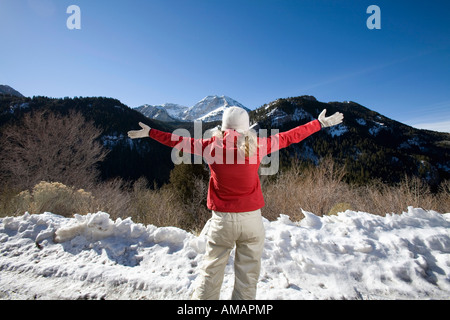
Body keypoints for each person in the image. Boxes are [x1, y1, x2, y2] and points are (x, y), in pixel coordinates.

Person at [128, 107, 343, 300]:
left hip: (222, 221)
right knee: (248, 276)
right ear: (246, 128)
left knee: (211, 271)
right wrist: (319, 123)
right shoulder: (258, 145)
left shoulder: (208, 146)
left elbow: (176, 141)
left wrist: (150, 133)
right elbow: (290, 137)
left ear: (222, 127)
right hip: (252, 221)